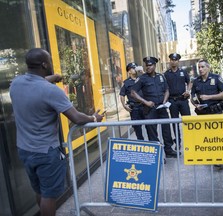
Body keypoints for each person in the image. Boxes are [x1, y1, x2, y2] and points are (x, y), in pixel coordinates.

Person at [9, 48, 105, 216]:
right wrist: (95, 118)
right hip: (47, 152)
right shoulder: (51, 91)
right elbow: (77, 118)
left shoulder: (16, 84)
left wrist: (53, 78)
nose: (52, 63)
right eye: (50, 61)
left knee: (39, 190)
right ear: (45, 64)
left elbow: (35, 82)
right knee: (49, 196)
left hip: (25, 150)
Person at [131, 56, 178, 158]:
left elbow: (167, 90)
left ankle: (169, 150)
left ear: (155, 65)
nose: (148, 67)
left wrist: (165, 100)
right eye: (146, 65)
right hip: (150, 109)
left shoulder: (161, 77)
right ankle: (158, 155)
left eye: (150, 65)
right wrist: (145, 102)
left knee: (167, 130)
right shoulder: (142, 78)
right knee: (152, 133)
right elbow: (133, 93)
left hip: (162, 107)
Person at [191, 59, 223, 170]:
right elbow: (192, 96)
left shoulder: (216, 78)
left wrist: (209, 97)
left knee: (217, 137)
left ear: (208, 67)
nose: (200, 69)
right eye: (199, 67)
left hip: (216, 112)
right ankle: (210, 158)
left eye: (202, 67)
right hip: (203, 114)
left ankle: (220, 160)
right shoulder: (196, 81)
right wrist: (196, 104)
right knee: (206, 138)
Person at [164, 53, 191, 150]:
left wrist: (188, 91)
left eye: (175, 60)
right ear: (170, 61)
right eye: (171, 60)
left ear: (178, 61)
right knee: (175, 123)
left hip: (183, 100)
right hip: (172, 101)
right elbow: (165, 88)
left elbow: (189, 82)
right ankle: (178, 142)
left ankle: (190, 141)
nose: (173, 61)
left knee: (188, 121)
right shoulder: (166, 74)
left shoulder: (183, 72)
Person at [120, 62, 145, 140]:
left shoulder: (142, 78)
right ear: (129, 71)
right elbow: (122, 94)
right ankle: (141, 144)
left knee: (150, 127)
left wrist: (143, 72)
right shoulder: (126, 82)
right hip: (134, 108)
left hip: (144, 106)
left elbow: (148, 79)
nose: (135, 69)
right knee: (137, 129)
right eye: (133, 68)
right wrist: (124, 105)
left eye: (136, 67)